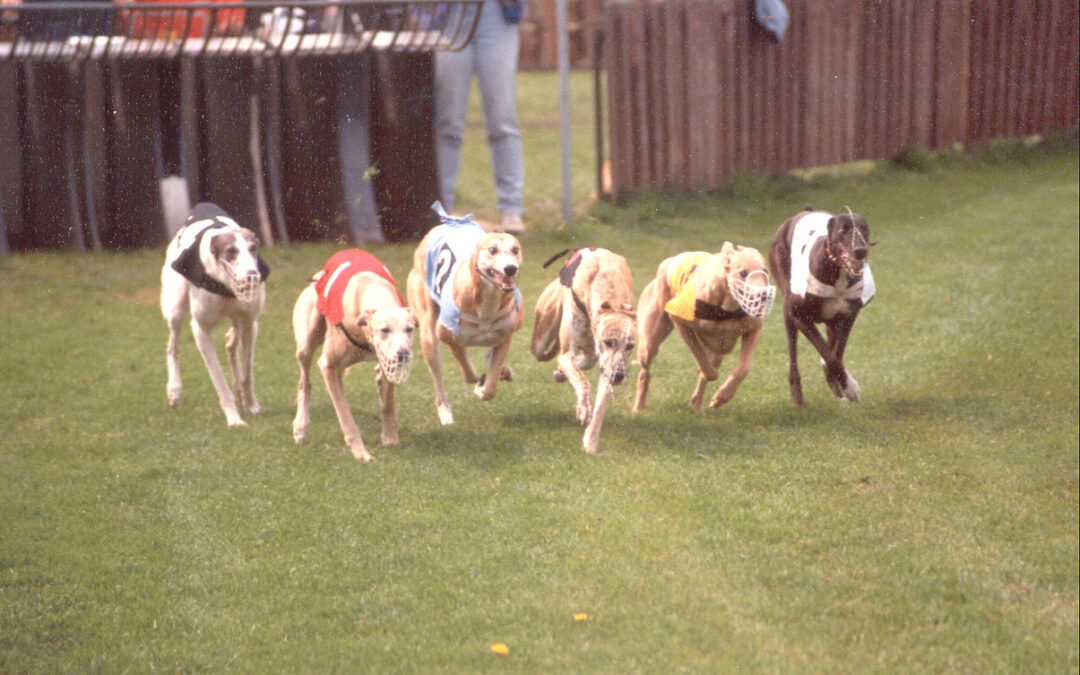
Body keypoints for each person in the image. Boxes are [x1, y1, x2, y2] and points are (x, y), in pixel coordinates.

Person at [434, 0, 527, 234]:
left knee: (502, 119)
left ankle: (512, 209)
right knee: (448, 121)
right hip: (450, 14)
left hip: (496, 14)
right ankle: (441, 208)